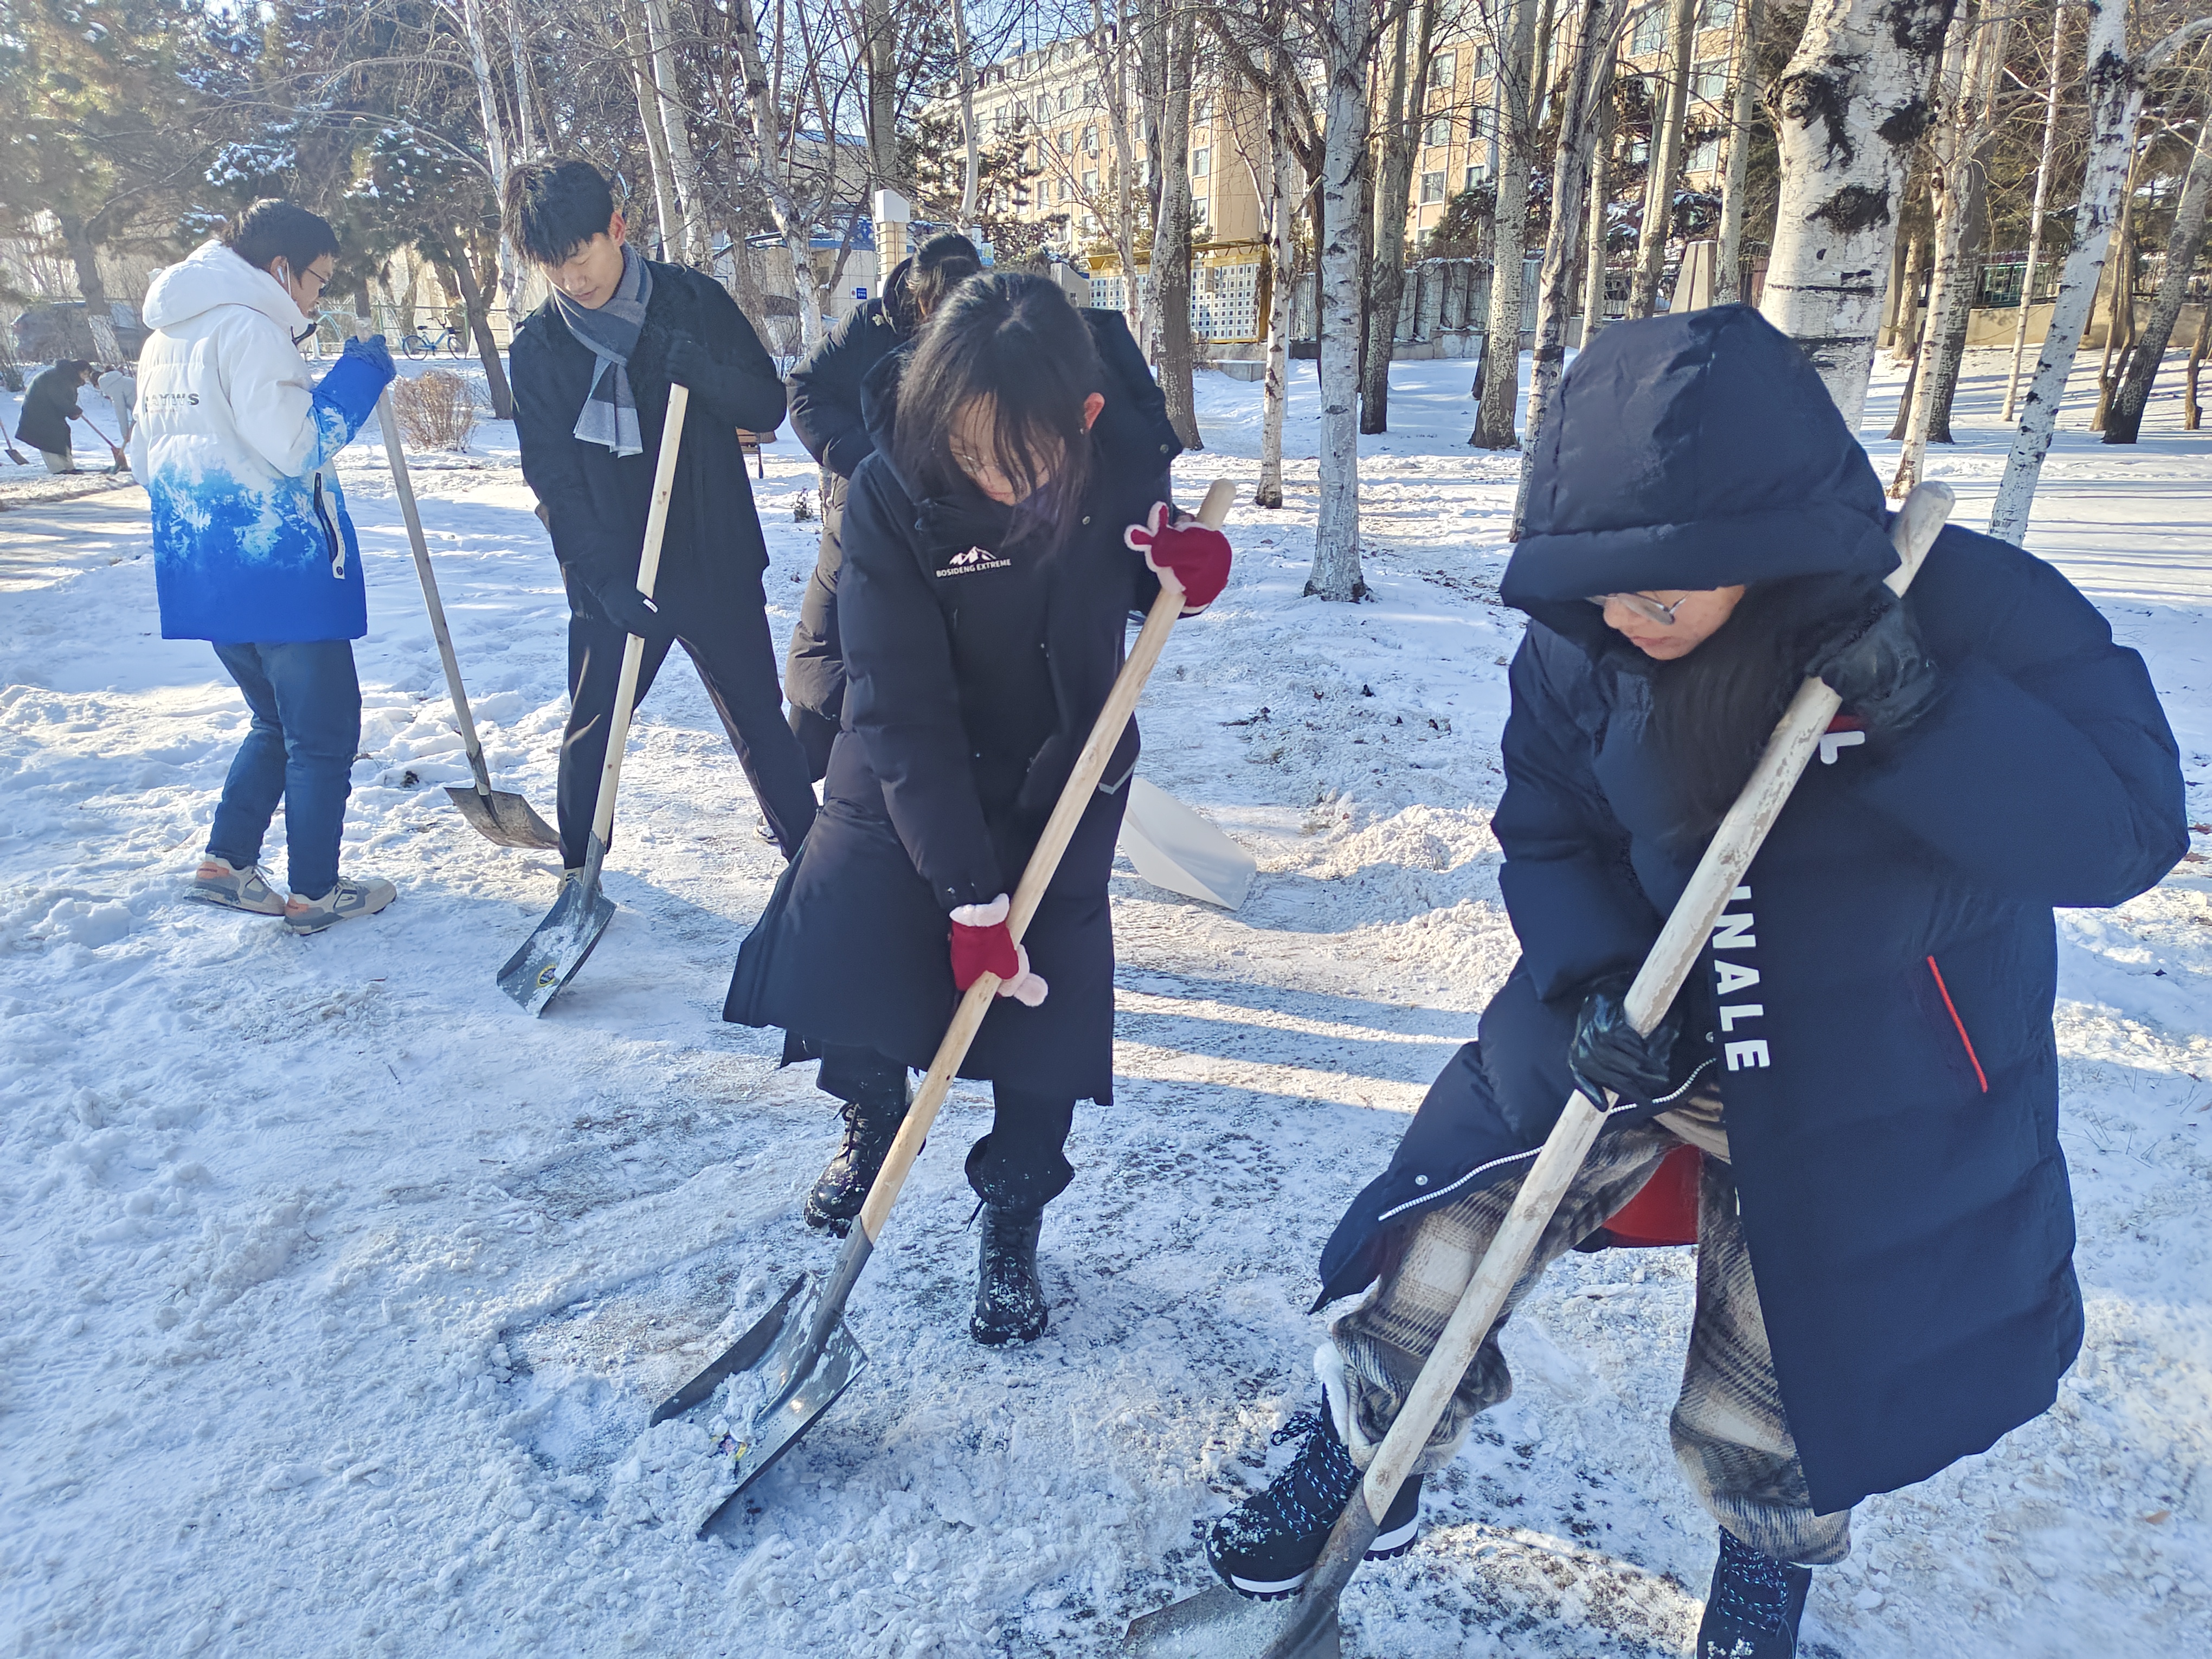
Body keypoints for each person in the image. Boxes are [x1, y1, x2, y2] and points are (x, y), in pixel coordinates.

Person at [1199, 307, 2185, 1658]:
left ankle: (1761, 1573)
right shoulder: (1584, 634)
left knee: (1783, 1350)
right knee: (1452, 1225)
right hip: (1646, 1016)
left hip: (1875, 1059)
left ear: (1760, 550)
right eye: (1598, 592)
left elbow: (2123, 838)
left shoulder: (1967, 607)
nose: (1620, 619)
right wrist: (1594, 980)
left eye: (1656, 597)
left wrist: (1925, 711)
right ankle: (1370, 1450)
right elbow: (1548, 828)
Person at [723, 274, 1227, 1344]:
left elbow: (1141, 568)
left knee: (1045, 1020)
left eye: (1022, 456)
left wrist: (1179, 566)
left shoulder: (1115, 462)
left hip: (1062, 776)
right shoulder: (890, 488)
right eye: (971, 449)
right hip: (906, 771)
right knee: (854, 958)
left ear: (1084, 418)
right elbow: (899, 705)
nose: (994, 477)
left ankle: (1012, 1214)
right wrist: (964, 896)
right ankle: (871, 1115)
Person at [505, 157, 818, 875]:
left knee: (758, 718)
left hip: (714, 555)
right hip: (616, 574)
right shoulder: (541, 347)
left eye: (580, 257)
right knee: (595, 728)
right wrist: (603, 582)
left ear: (616, 228)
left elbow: (767, 405)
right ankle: (581, 872)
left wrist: (707, 376)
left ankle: (814, 866)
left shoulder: (692, 302)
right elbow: (552, 478)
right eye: (553, 268)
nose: (572, 280)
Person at [130, 201, 401, 932]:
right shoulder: (250, 328)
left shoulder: (167, 337)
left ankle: (227, 863)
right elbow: (297, 444)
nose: (316, 299)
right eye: (317, 281)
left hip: (206, 572)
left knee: (275, 722)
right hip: (279, 570)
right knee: (323, 736)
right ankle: (316, 891)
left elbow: (144, 460)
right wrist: (358, 379)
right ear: (281, 269)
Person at [782, 232, 983, 779]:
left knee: (935, 645)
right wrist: (868, 460)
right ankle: (800, 773)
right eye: (934, 309)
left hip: (951, 513)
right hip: (864, 501)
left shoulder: (990, 332)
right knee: (831, 629)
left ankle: (922, 774)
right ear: (918, 298)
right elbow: (805, 390)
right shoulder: (869, 326)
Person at [17, 359, 94, 472]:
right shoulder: (58, 377)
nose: (85, 378)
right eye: (85, 374)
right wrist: (73, 410)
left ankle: (68, 467)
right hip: (38, 413)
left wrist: (72, 411)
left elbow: (65, 400)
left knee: (62, 433)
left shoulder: (66, 377)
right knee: (48, 438)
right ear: (77, 371)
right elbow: (59, 398)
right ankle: (58, 468)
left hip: (51, 413)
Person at [98, 362, 138, 443]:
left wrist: (125, 434)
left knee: (137, 437)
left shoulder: (112, 387)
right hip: (145, 407)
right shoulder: (121, 380)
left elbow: (121, 412)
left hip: (141, 410)